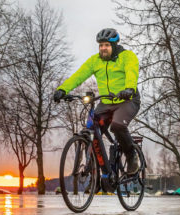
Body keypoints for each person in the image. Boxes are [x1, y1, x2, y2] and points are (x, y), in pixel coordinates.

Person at [54, 28, 140, 175]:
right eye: (101, 45)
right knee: (92, 129)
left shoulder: (127, 57)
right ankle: (95, 172)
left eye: (106, 45)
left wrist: (129, 89)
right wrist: (63, 90)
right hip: (106, 102)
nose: (103, 48)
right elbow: (78, 76)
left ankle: (132, 156)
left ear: (114, 45)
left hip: (127, 100)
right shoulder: (95, 61)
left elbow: (132, 71)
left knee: (117, 125)